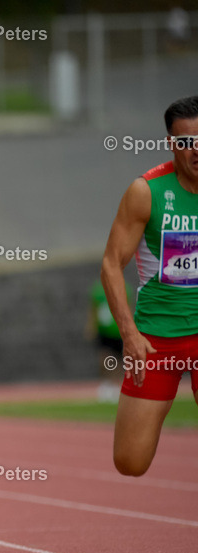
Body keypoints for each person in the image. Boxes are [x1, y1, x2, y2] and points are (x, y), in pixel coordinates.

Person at [100, 95, 198, 477]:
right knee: (130, 462)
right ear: (172, 144)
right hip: (157, 337)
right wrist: (129, 334)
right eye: (187, 142)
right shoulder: (147, 192)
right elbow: (111, 263)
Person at [86, 280, 127, 403]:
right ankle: (106, 384)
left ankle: (116, 384)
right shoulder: (98, 292)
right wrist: (91, 327)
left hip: (118, 330)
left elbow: (127, 308)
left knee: (119, 359)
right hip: (104, 330)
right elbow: (93, 310)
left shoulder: (125, 288)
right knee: (104, 357)